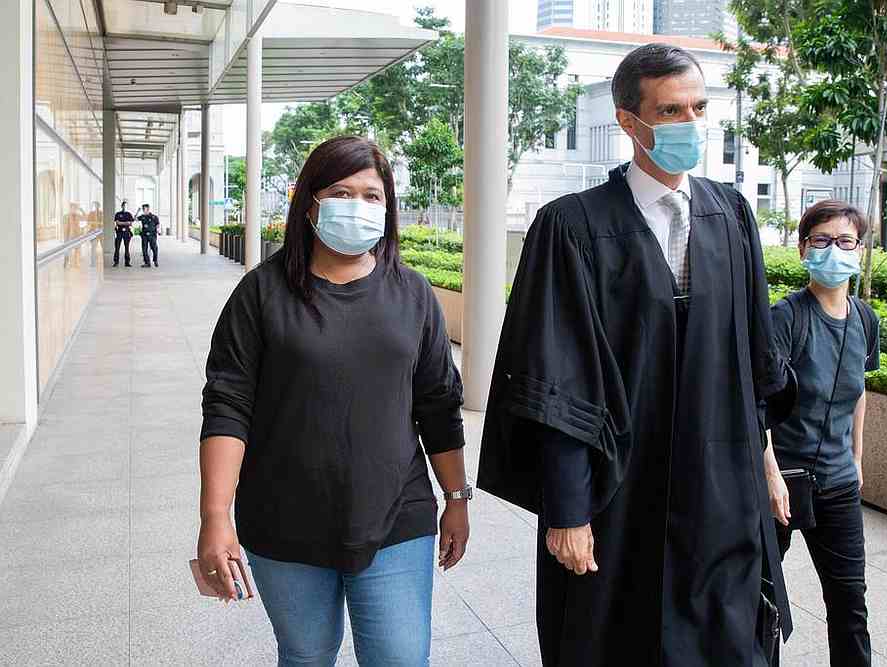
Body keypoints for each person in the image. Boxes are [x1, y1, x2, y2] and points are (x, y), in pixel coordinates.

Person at [478, 43, 794, 666]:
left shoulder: (731, 214)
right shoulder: (572, 226)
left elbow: (754, 359)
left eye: (699, 108)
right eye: (671, 111)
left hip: (719, 485)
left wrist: (767, 465)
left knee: (724, 639)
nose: (691, 123)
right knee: (614, 638)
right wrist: (567, 511)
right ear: (629, 121)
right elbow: (557, 378)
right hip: (619, 488)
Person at [197, 135, 470, 667]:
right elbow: (227, 407)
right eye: (341, 193)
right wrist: (215, 516)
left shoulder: (413, 294)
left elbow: (439, 405)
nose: (358, 206)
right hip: (284, 518)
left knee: (400, 658)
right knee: (306, 655)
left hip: (396, 514)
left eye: (372, 195)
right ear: (310, 204)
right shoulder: (261, 293)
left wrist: (456, 498)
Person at [764, 200, 879, 666]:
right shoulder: (785, 318)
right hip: (781, 482)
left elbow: (859, 391)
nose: (835, 249)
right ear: (803, 248)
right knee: (760, 600)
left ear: (860, 250)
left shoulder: (865, 319)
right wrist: (769, 474)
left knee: (850, 604)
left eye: (846, 241)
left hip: (838, 484)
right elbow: (758, 403)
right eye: (822, 240)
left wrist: (857, 459)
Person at [113, 201, 134, 267]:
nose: (125, 207)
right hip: (119, 232)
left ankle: (127, 262)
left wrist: (122, 223)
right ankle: (116, 262)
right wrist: (126, 223)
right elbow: (117, 223)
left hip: (127, 232)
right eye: (124, 206)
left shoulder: (129, 214)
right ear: (122, 206)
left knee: (127, 248)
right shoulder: (118, 214)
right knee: (117, 247)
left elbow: (130, 223)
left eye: (126, 206)